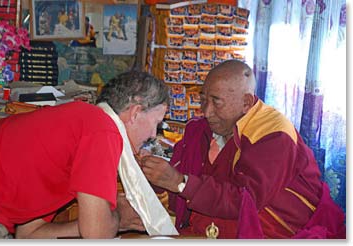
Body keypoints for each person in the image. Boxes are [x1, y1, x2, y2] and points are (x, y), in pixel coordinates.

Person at [141, 59, 346, 239]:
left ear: (246, 102)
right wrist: (154, 174)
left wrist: (178, 182)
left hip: (277, 233)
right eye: (203, 99)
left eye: (216, 102)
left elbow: (244, 200)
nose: (207, 111)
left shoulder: (274, 135)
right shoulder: (201, 129)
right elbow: (180, 172)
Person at [0, 70, 170, 238]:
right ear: (136, 113)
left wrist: (104, 219)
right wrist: (118, 215)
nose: (154, 135)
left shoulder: (84, 122)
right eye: (156, 122)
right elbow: (96, 236)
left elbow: (29, 235)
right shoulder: (103, 130)